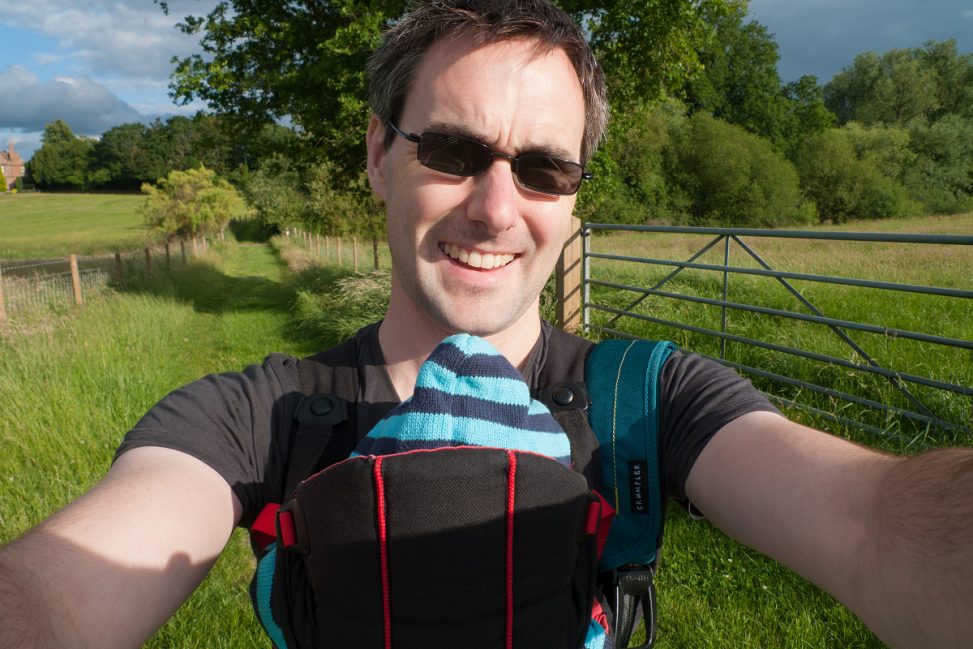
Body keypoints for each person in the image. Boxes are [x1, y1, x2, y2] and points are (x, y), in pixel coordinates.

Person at [1, 1, 971, 647]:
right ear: (378, 153)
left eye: (544, 168)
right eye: (454, 151)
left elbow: (871, 521)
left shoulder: (648, 401)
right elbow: (61, 594)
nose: (497, 208)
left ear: (575, 196)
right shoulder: (255, 417)